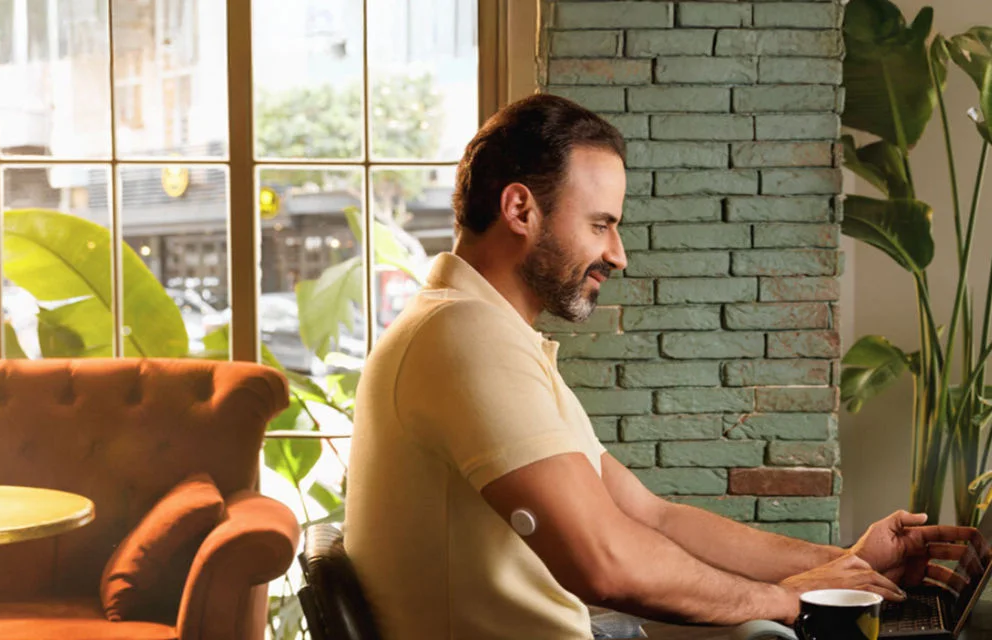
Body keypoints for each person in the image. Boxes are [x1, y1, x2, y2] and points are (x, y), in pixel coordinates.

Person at [343, 94, 986, 639]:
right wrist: (797, 599)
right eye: (600, 224)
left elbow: (650, 517)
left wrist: (847, 562)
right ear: (520, 210)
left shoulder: (482, 332)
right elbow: (606, 565)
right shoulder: (464, 336)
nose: (617, 255)